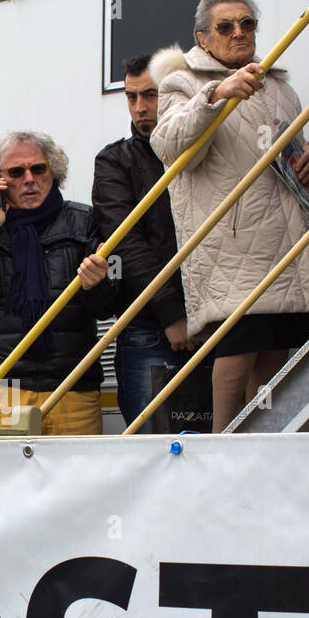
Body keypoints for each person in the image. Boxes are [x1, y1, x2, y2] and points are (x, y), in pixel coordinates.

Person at [150, 0, 309, 432]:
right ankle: (221, 452)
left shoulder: (278, 86)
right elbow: (168, 143)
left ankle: (262, 454)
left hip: (284, 243)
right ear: (202, 38)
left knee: (275, 361)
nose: (238, 33)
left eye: (247, 24)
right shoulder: (181, 82)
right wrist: (215, 95)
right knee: (234, 358)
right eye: (224, 26)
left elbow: (290, 148)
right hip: (230, 248)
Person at [0, 130, 115, 434]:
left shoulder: (84, 221)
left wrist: (97, 284)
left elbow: (108, 306)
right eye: (16, 172)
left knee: (76, 481)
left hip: (73, 387)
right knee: (8, 482)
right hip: (4, 388)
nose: (29, 179)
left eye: (39, 168)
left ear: (53, 171)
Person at [92, 53, 190, 431]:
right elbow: (126, 244)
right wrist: (171, 313)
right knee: (153, 453)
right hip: (149, 329)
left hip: (216, 317)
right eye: (131, 98)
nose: (140, 108)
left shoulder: (199, 145)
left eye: (150, 95)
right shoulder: (116, 160)